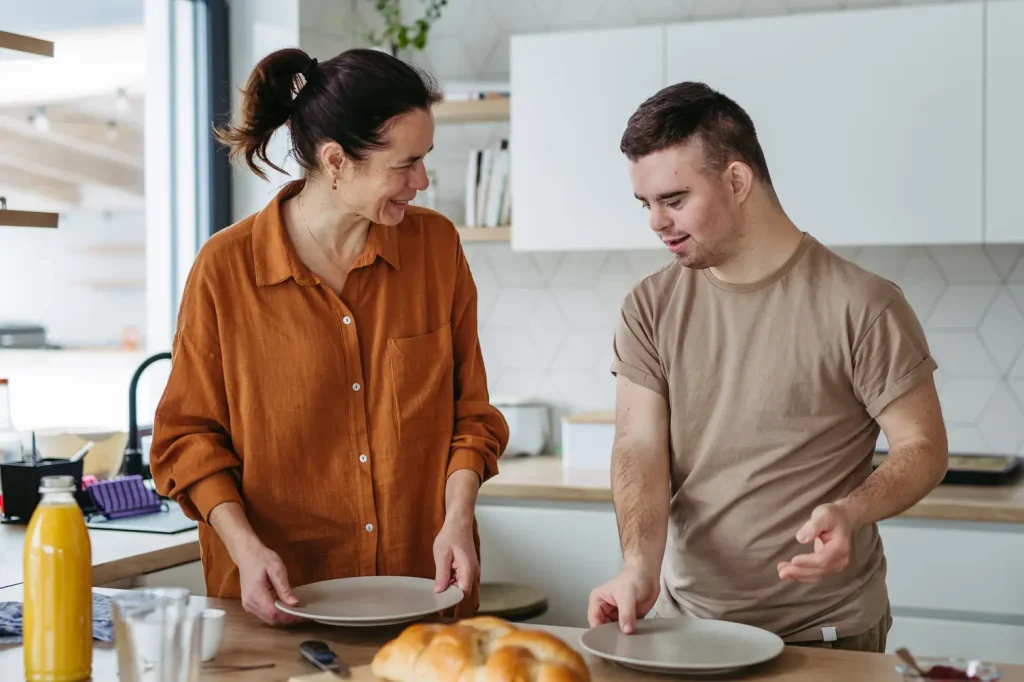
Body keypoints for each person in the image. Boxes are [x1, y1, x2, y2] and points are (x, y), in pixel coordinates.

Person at [149, 47, 509, 625]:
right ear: (336, 161)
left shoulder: (435, 248)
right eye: (404, 164)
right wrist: (243, 548)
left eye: (425, 160)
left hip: (422, 594)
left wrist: (458, 517)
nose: (421, 180)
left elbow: (471, 413)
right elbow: (186, 439)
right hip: (286, 605)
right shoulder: (226, 269)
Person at [586, 82, 948, 652]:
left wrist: (852, 513)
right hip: (691, 625)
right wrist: (638, 566)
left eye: (675, 199)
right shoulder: (650, 306)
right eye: (646, 204)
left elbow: (923, 447)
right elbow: (638, 449)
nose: (656, 222)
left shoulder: (863, 304)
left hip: (826, 632)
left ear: (736, 180)